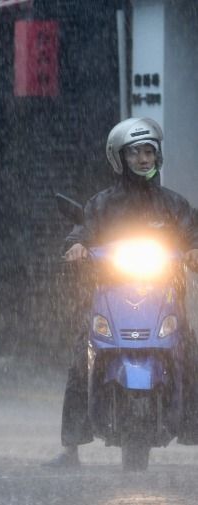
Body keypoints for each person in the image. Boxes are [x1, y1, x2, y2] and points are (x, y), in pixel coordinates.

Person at [44, 117, 198, 468]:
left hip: (164, 298)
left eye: (149, 152)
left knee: (190, 353)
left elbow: (192, 234)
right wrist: (77, 246)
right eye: (135, 154)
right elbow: (81, 230)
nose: (143, 159)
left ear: (158, 157)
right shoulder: (101, 205)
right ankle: (71, 448)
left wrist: (193, 250)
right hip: (110, 297)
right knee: (81, 356)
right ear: (118, 159)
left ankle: (192, 427)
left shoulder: (173, 205)